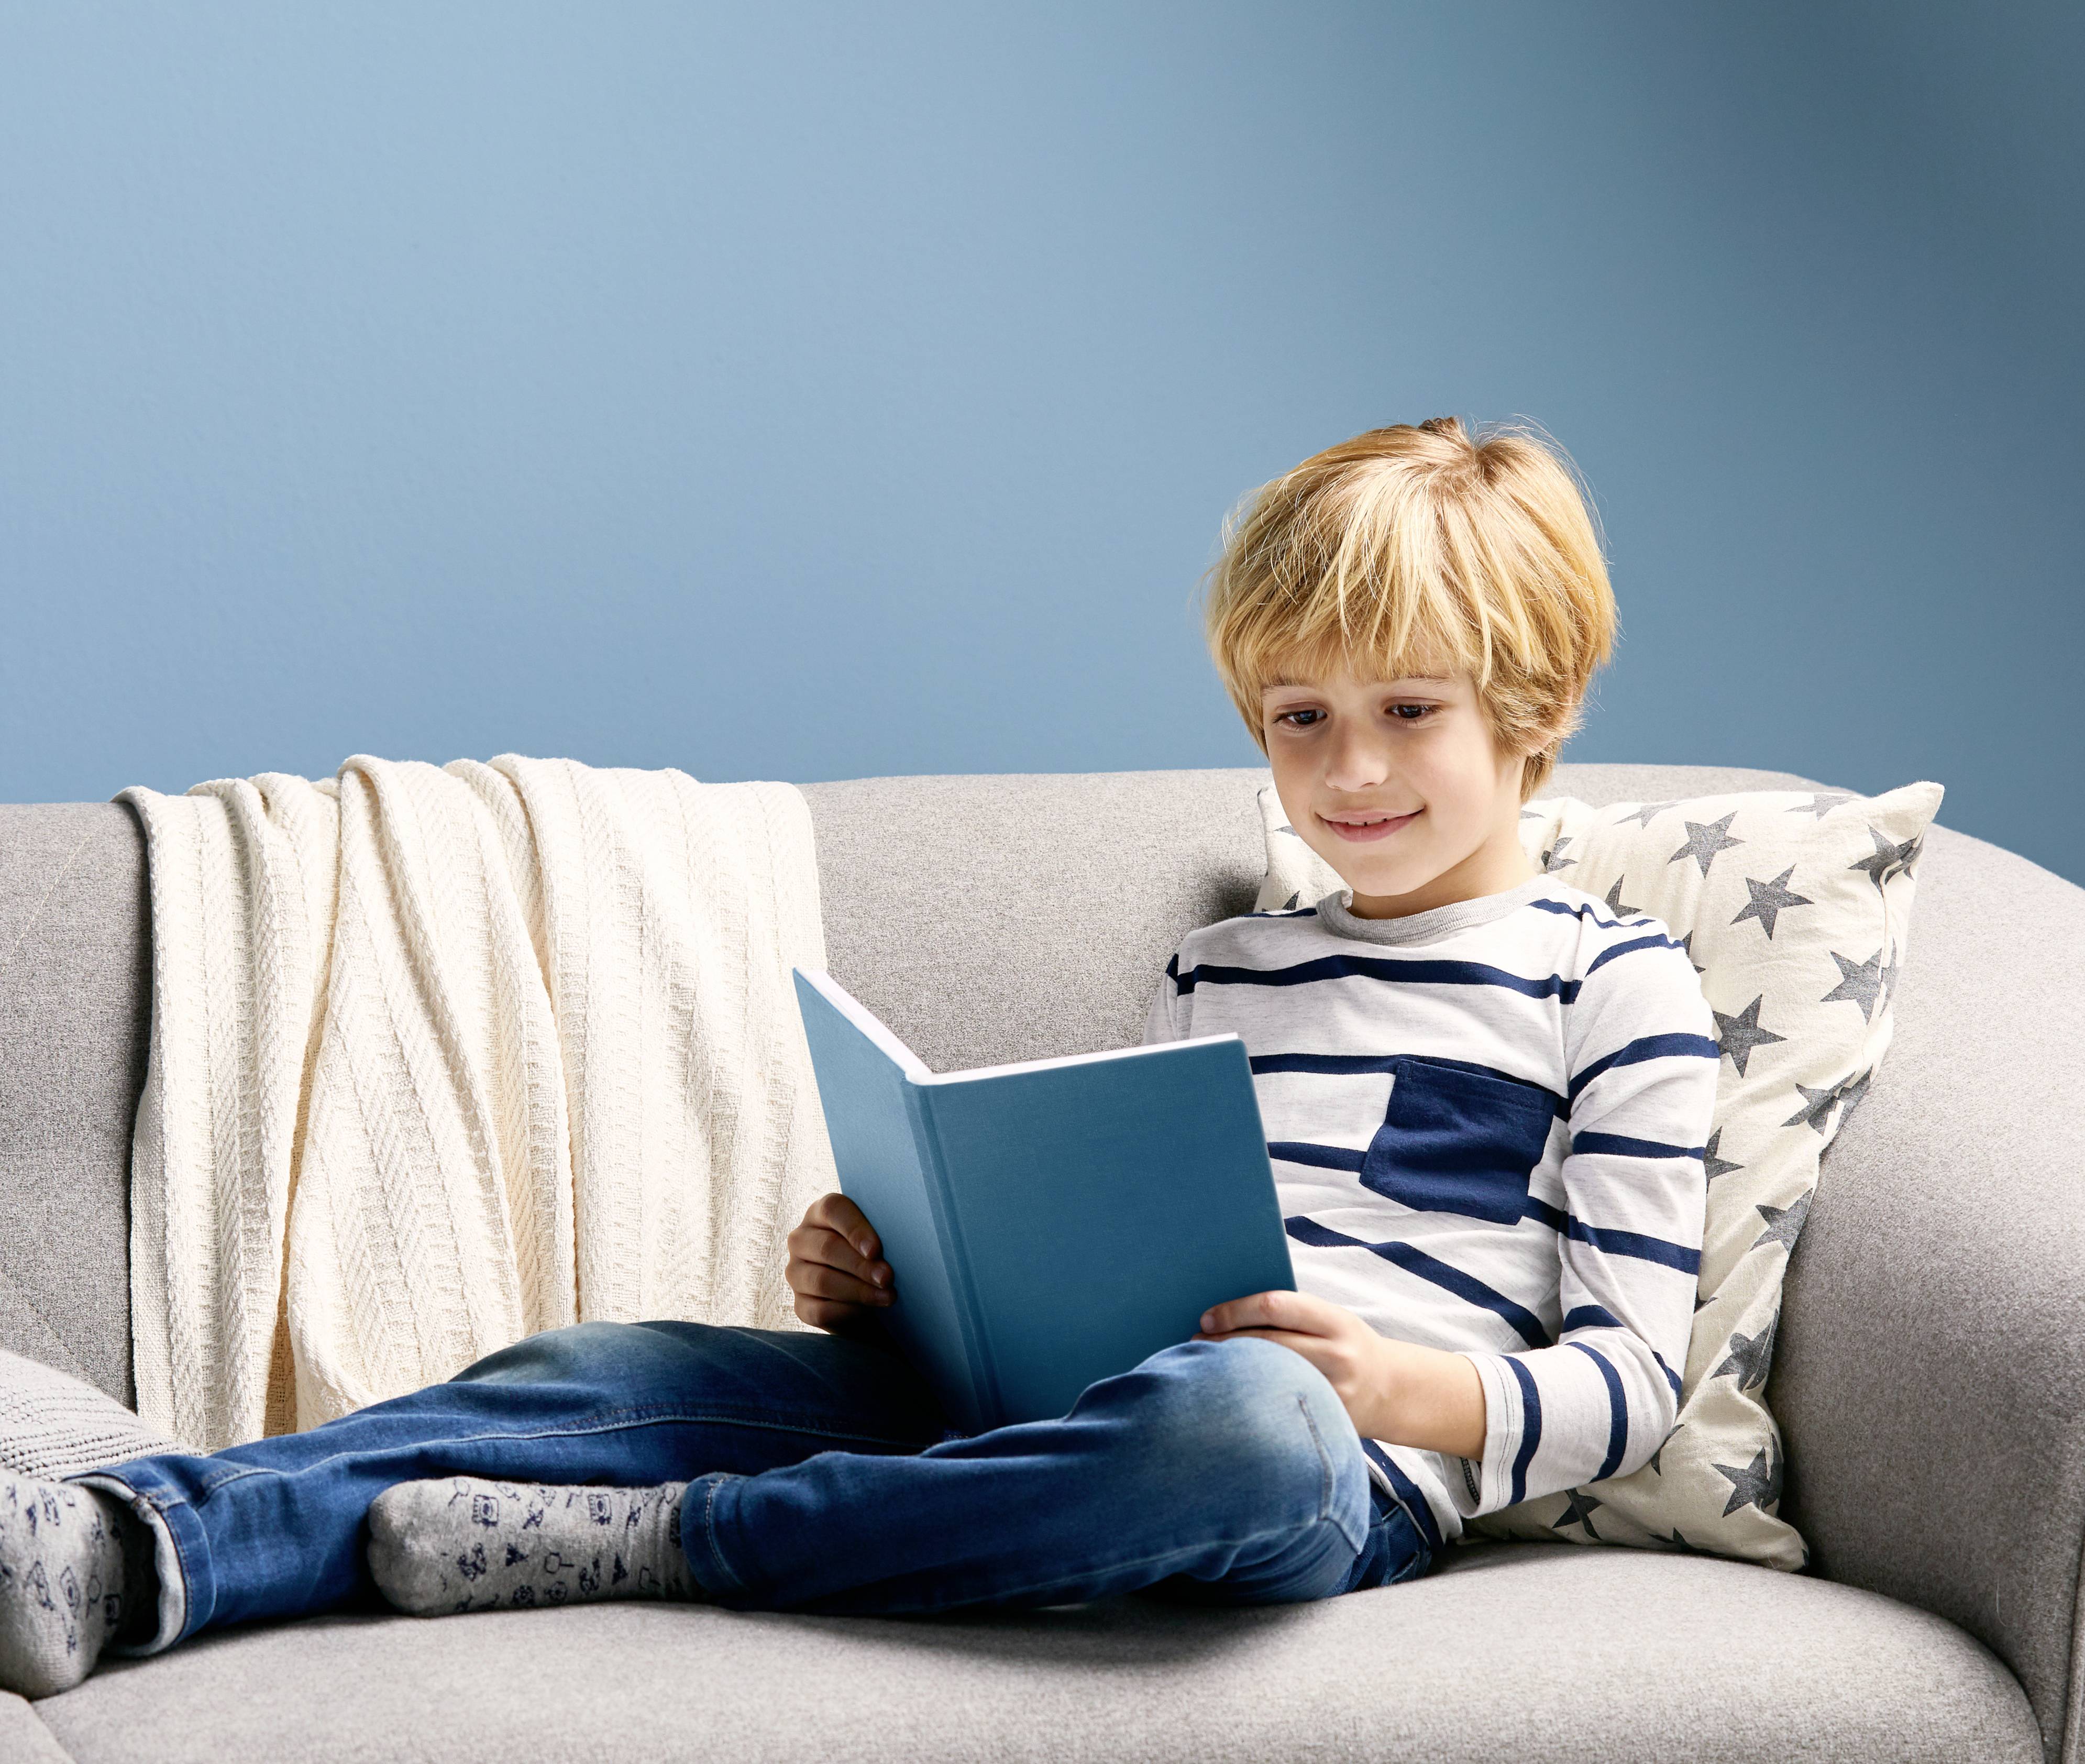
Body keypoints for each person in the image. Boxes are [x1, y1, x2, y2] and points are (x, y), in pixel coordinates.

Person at [0, 416, 1717, 1698]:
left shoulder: (1611, 979)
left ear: (1535, 706)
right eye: (1299, 717)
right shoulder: (1234, 960)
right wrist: (910, 1287)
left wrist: (1403, 1390)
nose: (1349, 770)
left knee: (1243, 1422)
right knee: (614, 1369)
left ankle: (683, 1544)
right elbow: (1143, 1244)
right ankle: (137, 1546)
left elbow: (1638, 1374)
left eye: (1407, 709)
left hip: (1330, 1463)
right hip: (1045, 1404)